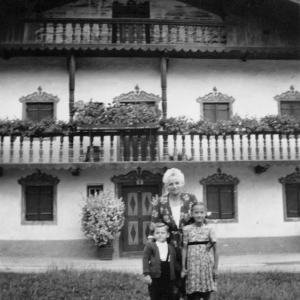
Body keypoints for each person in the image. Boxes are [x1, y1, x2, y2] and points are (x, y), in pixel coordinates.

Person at [149, 168, 198, 299]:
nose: (174, 186)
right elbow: (154, 224)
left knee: (189, 272)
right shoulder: (160, 202)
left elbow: (198, 219)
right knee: (172, 273)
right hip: (169, 244)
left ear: (182, 183)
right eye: (170, 184)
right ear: (166, 186)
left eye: (177, 183)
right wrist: (151, 248)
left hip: (189, 242)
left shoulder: (191, 199)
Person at [181, 202, 218, 300]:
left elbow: (215, 249)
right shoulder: (186, 229)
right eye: (196, 212)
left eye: (202, 212)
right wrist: (183, 267)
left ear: (205, 213)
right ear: (191, 214)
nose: (199, 215)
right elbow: (184, 248)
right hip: (192, 264)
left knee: (206, 291)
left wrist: (215, 268)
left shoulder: (209, 229)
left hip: (206, 264)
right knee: (193, 292)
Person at [143, 223, 180, 300]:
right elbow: (145, 259)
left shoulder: (171, 247)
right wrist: (146, 274)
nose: (160, 235)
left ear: (168, 235)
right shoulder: (150, 245)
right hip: (155, 276)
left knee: (168, 295)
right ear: (153, 234)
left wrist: (179, 272)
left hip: (168, 275)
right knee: (155, 295)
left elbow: (174, 262)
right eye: (157, 233)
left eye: (162, 233)